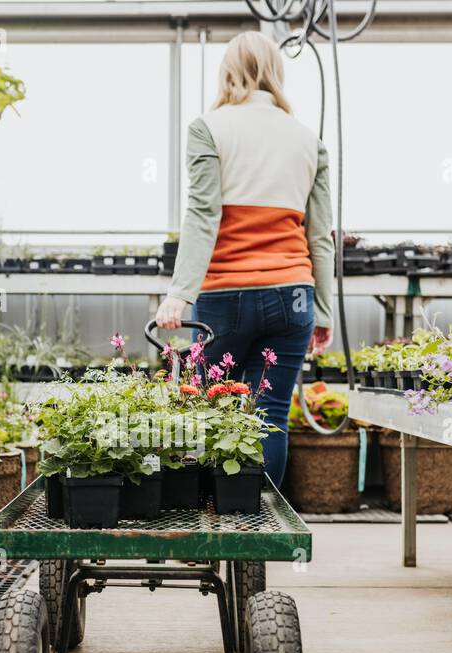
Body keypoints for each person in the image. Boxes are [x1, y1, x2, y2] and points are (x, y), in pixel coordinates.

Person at [156, 30, 335, 486]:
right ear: (275, 73)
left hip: (225, 296)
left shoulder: (209, 128)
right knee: (270, 411)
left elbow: (202, 215)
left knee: (207, 406)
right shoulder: (306, 140)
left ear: (228, 72)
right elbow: (320, 237)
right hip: (293, 295)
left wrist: (179, 294)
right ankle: (260, 528)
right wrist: (323, 310)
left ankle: (211, 518)